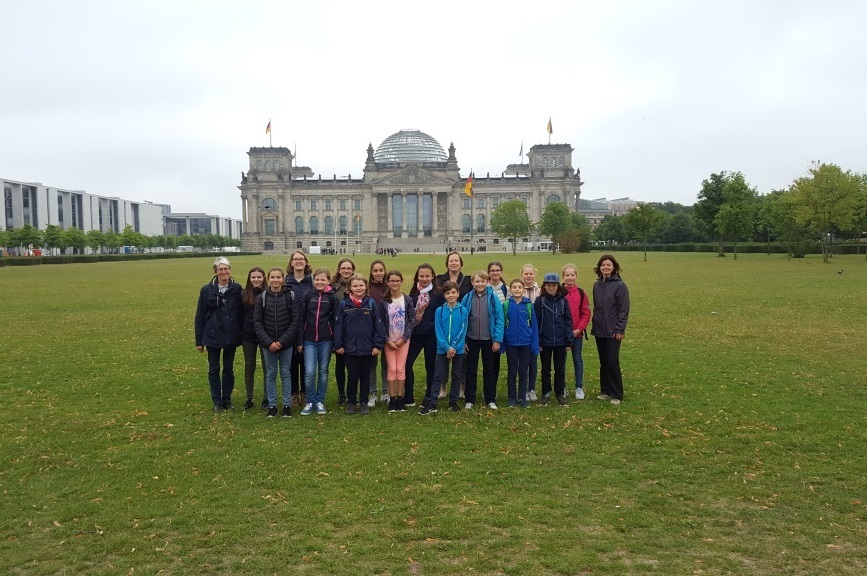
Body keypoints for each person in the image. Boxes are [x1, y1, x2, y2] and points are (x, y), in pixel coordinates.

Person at [194, 257, 243, 412]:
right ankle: (217, 400)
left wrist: (241, 333)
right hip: (212, 334)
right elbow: (200, 314)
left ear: (230, 270)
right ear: (215, 272)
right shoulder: (207, 289)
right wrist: (199, 340)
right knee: (214, 368)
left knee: (228, 368)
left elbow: (241, 313)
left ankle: (227, 399)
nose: (224, 272)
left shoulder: (237, 289)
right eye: (220, 269)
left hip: (230, 333)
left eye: (226, 268)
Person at [334, 275, 386, 415]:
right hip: (350, 348)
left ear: (366, 287)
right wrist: (338, 344)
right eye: (355, 286)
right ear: (350, 288)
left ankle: (363, 401)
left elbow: (378, 326)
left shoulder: (371, 304)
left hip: (367, 348)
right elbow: (339, 326)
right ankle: (351, 402)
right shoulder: (344, 304)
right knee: (352, 376)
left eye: (361, 285)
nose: (358, 288)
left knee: (365, 376)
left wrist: (377, 345)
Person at [254, 267, 302, 418]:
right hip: (268, 344)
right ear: (268, 279)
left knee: (286, 374)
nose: (275, 280)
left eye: (278, 277)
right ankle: (272, 405)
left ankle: (287, 405)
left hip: (285, 344)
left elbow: (295, 321)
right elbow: (257, 322)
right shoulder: (262, 297)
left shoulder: (290, 296)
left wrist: (281, 342)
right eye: (272, 277)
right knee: (271, 374)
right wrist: (269, 342)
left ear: (283, 279)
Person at [420, 281, 468, 415]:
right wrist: (446, 347)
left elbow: (463, 329)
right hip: (442, 349)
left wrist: (454, 347)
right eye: (448, 293)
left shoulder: (462, 310)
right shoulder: (439, 311)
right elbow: (438, 330)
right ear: (444, 295)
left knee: (456, 375)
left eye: (453, 292)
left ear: (458, 294)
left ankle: (453, 402)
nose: (451, 295)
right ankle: (432, 403)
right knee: (438, 376)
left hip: (457, 349)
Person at [461, 270, 504, 410]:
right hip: (472, 339)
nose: (480, 284)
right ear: (473, 283)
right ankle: (470, 399)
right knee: (471, 370)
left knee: (490, 370)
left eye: (482, 281)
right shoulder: (467, 298)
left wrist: (497, 340)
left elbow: (499, 319)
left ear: (487, 282)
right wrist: (464, 341)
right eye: (477, 281)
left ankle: (490, 398)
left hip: (489, 340)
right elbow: (462, 321)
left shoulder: (493, 298)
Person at [298, 267, 339, 416]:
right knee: (309, 372)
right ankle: (310, 401)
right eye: (317, 279)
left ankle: (320, 400)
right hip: (309, 339)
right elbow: (301, 318)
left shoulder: (333, 297)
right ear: (313, 280)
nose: (320, 282)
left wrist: (336, 341)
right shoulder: (307, 295)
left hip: (326, 340)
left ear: (328, 281)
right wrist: (300, 341)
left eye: (323, 279)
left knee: (323, 371)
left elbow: (336, 320)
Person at [591, 254, 630, 405]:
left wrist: (620, 329)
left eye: (608, 265)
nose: (605, 267)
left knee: (613, 361)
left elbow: (623, 309)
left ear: (614, 267)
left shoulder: (620, 285)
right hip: (600, 329)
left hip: (613, 330)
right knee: (604, 361)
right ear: (599, 267)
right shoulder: (597, 285)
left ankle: (617, 394)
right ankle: (606, 390)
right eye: (603, 265)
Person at [405, 263, 444, 407]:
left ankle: (429, 396)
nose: (424, 279)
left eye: (427, 276)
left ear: (432, 276)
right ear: (417, 276)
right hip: (415, 334)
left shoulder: (438, 294)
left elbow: (442, 313)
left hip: (431, 335)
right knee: (407, 363)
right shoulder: (414, 292)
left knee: (430, 367)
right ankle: (408, 396)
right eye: (421, 276)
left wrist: (432, 325)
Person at [535, 273, 574, 406]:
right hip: (545, 341)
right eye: (548, 285)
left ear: (558, 286)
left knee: (560, 368)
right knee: (546, 369)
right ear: (544, 286)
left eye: (554, 285)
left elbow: (568, 320)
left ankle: (559, 393)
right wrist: (538, 341)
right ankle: (545, 392)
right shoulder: (540, 301)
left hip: (560, 340)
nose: (551, 288)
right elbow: (536, 321)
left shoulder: (563, 301)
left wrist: (569, 340)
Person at [381, 270, 416, 413]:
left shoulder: (407, 300)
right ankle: (392, 398)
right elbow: (380, 322)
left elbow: (412, 320)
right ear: (388, 283)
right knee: (391, 369)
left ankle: (400, 398)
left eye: (397, 281)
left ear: (401, 282)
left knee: (400, 369)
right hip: (389, 341)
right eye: (392, 281)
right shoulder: (383, 301)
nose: (395, 283)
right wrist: (387, 340)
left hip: (403, 341)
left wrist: (404, 338)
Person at [501, 279, 539, 408]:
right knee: (512, 371)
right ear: (510, 290)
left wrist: (534, 346)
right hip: (511, 343)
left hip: (525, 343)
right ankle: (512, 398)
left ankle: (522, 397)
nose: (517, 289)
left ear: (523, 290)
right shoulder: (506, 305)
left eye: (519, 287)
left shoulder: (528, 305)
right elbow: (502, 325)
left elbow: (534, 326)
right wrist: (502, 344)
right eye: (514, 287)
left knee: (523, 372)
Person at [285, 251, 313, 408]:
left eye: (301, 259)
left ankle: (305, 392)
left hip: (308, 327)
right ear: (291, 263)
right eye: (295, 259)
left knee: (305, 362)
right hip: (289, 327)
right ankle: (294, 393)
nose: (298, 262)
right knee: (292, 362)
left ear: (306, 262)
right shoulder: (285, 281)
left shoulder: (312, 281)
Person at [562, 263, 592, 400]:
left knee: (577, 359)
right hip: (561, 334)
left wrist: (578, 329)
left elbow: (586, 313)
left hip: (577, 334)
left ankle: (579, 387)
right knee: (560, 361)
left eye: (572, 275)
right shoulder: (559, 292)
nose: (569, 278)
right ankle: (561, 387)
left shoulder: (581, 293)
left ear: (576, 276)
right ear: (563, 276)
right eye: (567, 275)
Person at [239, 266, 266, 410]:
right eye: (253, 277)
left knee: (267, 367)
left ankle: (266, 398)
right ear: (250, 279)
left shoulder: (268, 293)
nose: (256, 279)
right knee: (249, 366)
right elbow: (240, 315)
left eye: (259, 277)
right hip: (248, 336)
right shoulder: (244, 294)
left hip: (264, 336)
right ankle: (249, 398)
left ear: (263, 278)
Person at [331, 258, 356, 405]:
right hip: (338, 329)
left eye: (349, 268)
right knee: (340, 364)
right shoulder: (332, 286)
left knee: (353, 364)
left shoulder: (358, 284)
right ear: (339, 269)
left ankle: (353, 392)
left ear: (353, 269)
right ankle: (342, 393)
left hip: (354, 331)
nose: (346, 271)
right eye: (343, 268)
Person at [366, 260, 389, 408]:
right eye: (376, 270)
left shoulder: (390, 287)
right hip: (370, 331)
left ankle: (386, 392)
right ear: (371, 272)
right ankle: (372, 393)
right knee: (371, 364)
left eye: (381, 270)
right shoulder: (367, 289)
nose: (378, 273)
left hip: (387, 331)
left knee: (386, 363)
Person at [520, 264, 542, 401]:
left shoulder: (540, 291)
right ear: (521, 275)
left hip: (535, 329)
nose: (528, 276)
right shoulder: (516, 289)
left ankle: (531, 388)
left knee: (533, 360)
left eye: (530, 274)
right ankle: (522, 388)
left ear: (534, 274)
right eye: (526, 274)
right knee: (521, 362)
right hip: (521, 330)